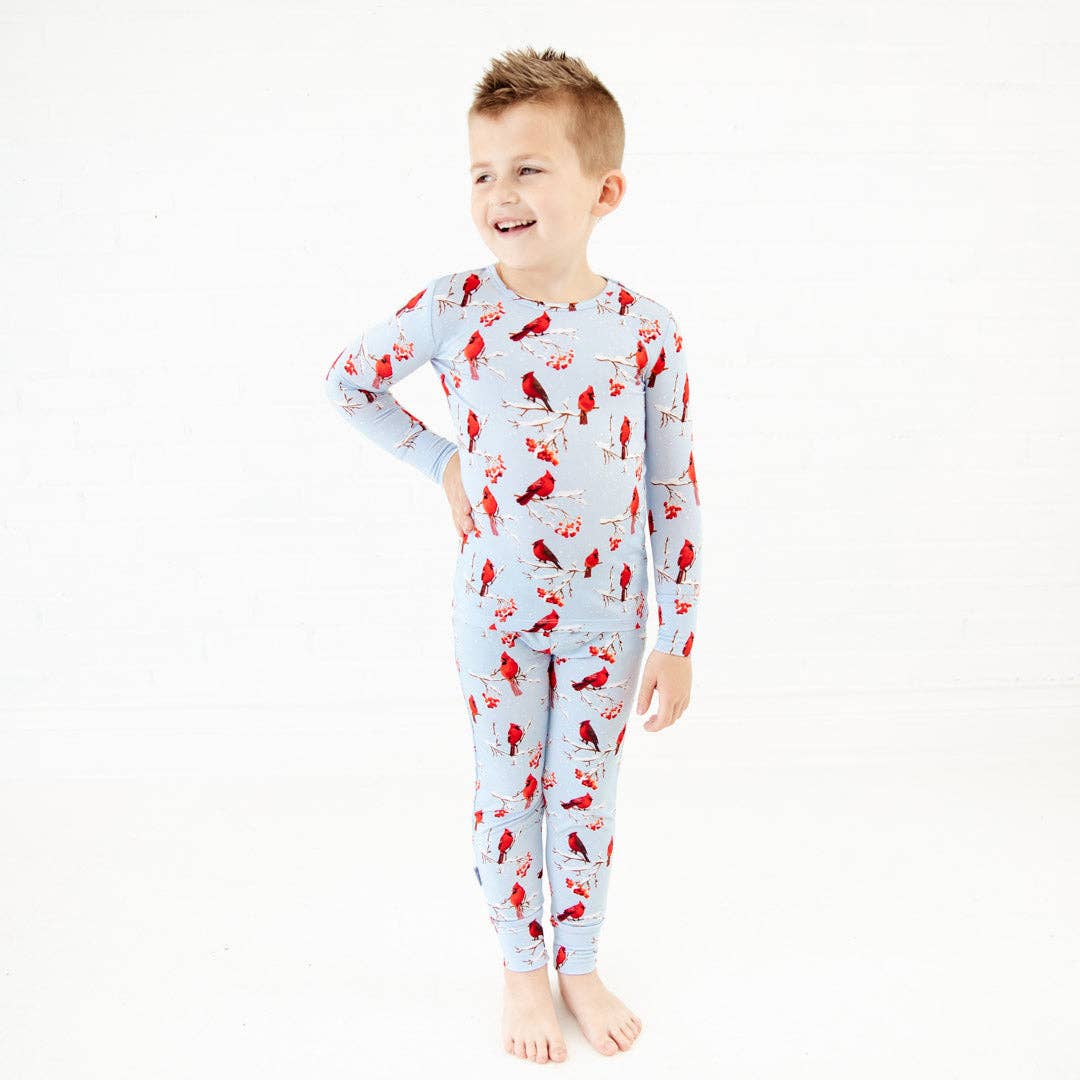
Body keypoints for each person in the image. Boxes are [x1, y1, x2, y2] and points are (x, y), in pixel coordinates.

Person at [323, 46, 703, 1065]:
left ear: (603, 191)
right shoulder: (454, 310)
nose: (501, 193)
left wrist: (680, 635)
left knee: (584, 795)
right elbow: (350, 382)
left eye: (530, 169)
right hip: (495, 610)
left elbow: (673, 487)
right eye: (483, 172)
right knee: (508, 788)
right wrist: (442, 460)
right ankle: (522, 969)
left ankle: (579, 960)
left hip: (609, 619)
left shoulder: (644, 330)